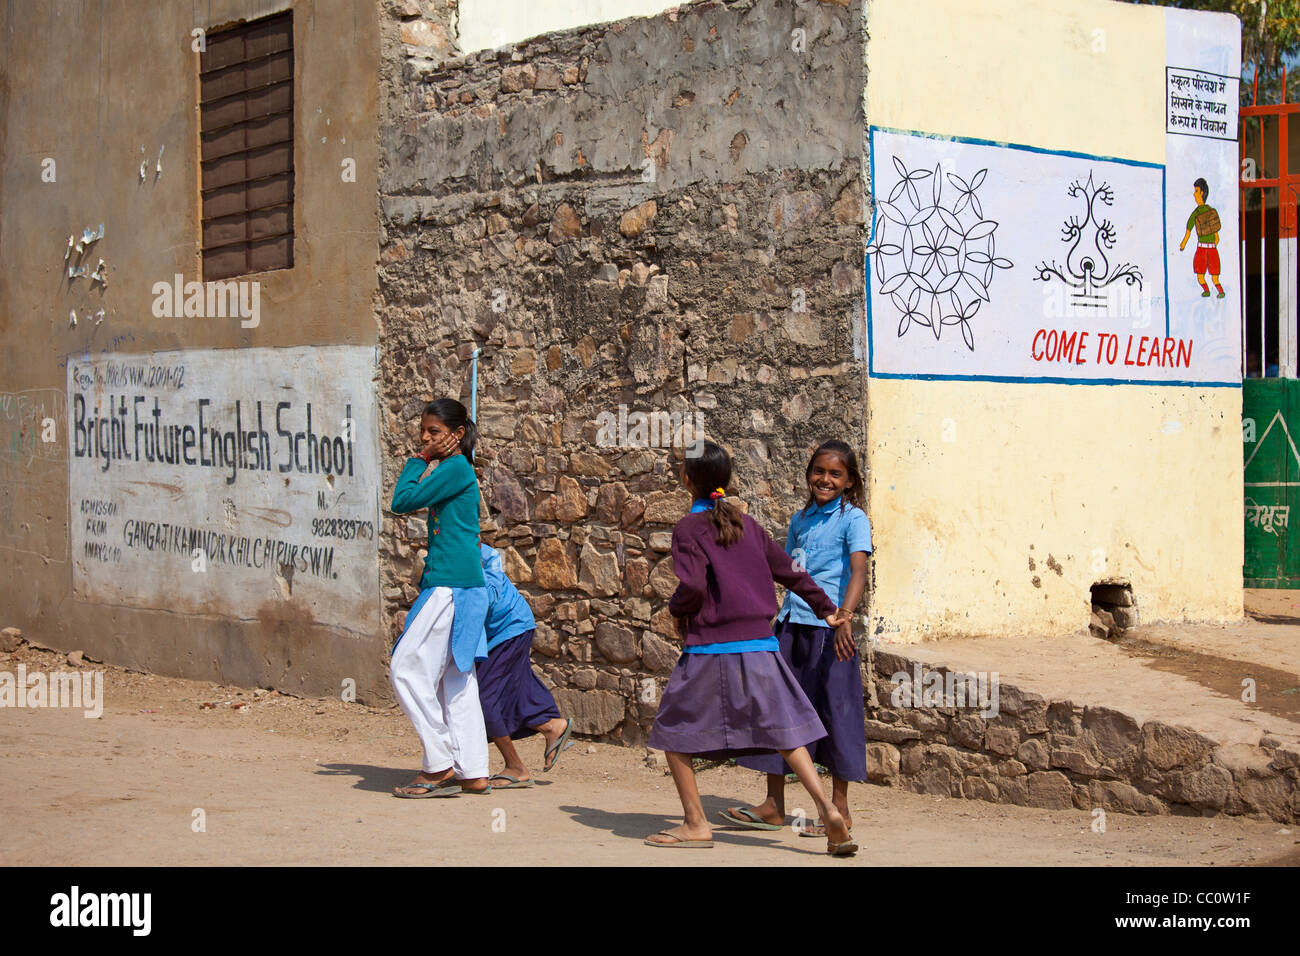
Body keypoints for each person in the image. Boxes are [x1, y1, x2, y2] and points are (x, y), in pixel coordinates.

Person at [643, 440, 858, 856]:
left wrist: (677, 611)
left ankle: (695, 823)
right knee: (785, 732)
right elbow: (791, 571)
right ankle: (828, 808)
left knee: (672, 732)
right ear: (724, 481)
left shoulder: (689, 529)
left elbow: (690, 585)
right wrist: (828, 608)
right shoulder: (749, 525)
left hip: (710, 648)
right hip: (762, 647)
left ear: (687, 482)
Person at [727, 440, 872, 840]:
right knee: (779, 712)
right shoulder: (800, 519)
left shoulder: (853, 518)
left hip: (831, 631)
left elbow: (858, 571)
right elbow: (787, 570)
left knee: (835, 713)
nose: (825, 479)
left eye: (835, 474)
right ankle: (775, 804)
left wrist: (844, 617)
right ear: (809, 474)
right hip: (791, 626)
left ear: (849, 481)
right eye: (819, 472)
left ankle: (839, 808)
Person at [388, 399, 492, 798]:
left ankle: (439, 764)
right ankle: (473, 770)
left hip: (450, 584)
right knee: (456, 678)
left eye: (433, 432)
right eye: (422, 432)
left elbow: (402, 501)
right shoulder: (457, 469)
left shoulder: (454, 468)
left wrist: (418, 459)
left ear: (457, 434)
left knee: (406, 668)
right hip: (464, 585)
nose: (425, 437)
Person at [476, 543, 573, 787]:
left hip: (509, 629)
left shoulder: (478, 554)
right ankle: (552, 726)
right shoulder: (454, 546)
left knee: (484, 698)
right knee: (516, 691)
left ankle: (515, 766)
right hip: (512, 627)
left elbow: (489, 596)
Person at [1179, 177, 1225, 298]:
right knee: (1209, 276)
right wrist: (1213, 244)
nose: (1194, 194)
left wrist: (1183, 244)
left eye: (1196, 191)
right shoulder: (1210, 211)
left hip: (1203, 249)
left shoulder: (1198, 213)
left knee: (1205, 276)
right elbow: (1217, 236)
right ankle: (1214, 291)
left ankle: (1213, 291)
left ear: (1202, 193)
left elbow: (1188, 230)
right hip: (1210, 249)